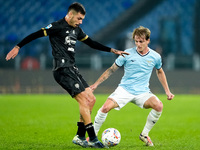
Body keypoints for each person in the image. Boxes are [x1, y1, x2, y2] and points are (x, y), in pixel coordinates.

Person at [5, 2, 129, 148]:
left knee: (92, 99)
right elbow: (35, 34)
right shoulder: (56, 26)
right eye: (79, 18)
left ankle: (80, 136)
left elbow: (92, 43)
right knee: (84, 100)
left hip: (72, 69)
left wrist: (112, 50)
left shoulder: (77, 30)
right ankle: (93, 138)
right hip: (62, 69)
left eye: (82, 19)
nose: (80, 22)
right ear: (70, 14)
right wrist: (18, 46)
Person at [90, 26, 174, 146]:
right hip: (124, 90)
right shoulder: (127, 54)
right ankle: (92, 137)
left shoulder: (155, 56)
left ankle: (144, 134)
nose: (138, 44)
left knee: (159, 106)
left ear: (148, 41)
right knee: (104, 108)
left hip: (143, 92)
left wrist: (167, 91)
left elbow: (159, 71)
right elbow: (111, 70)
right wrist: (96, 84)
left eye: (141, 41)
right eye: (136, 41)